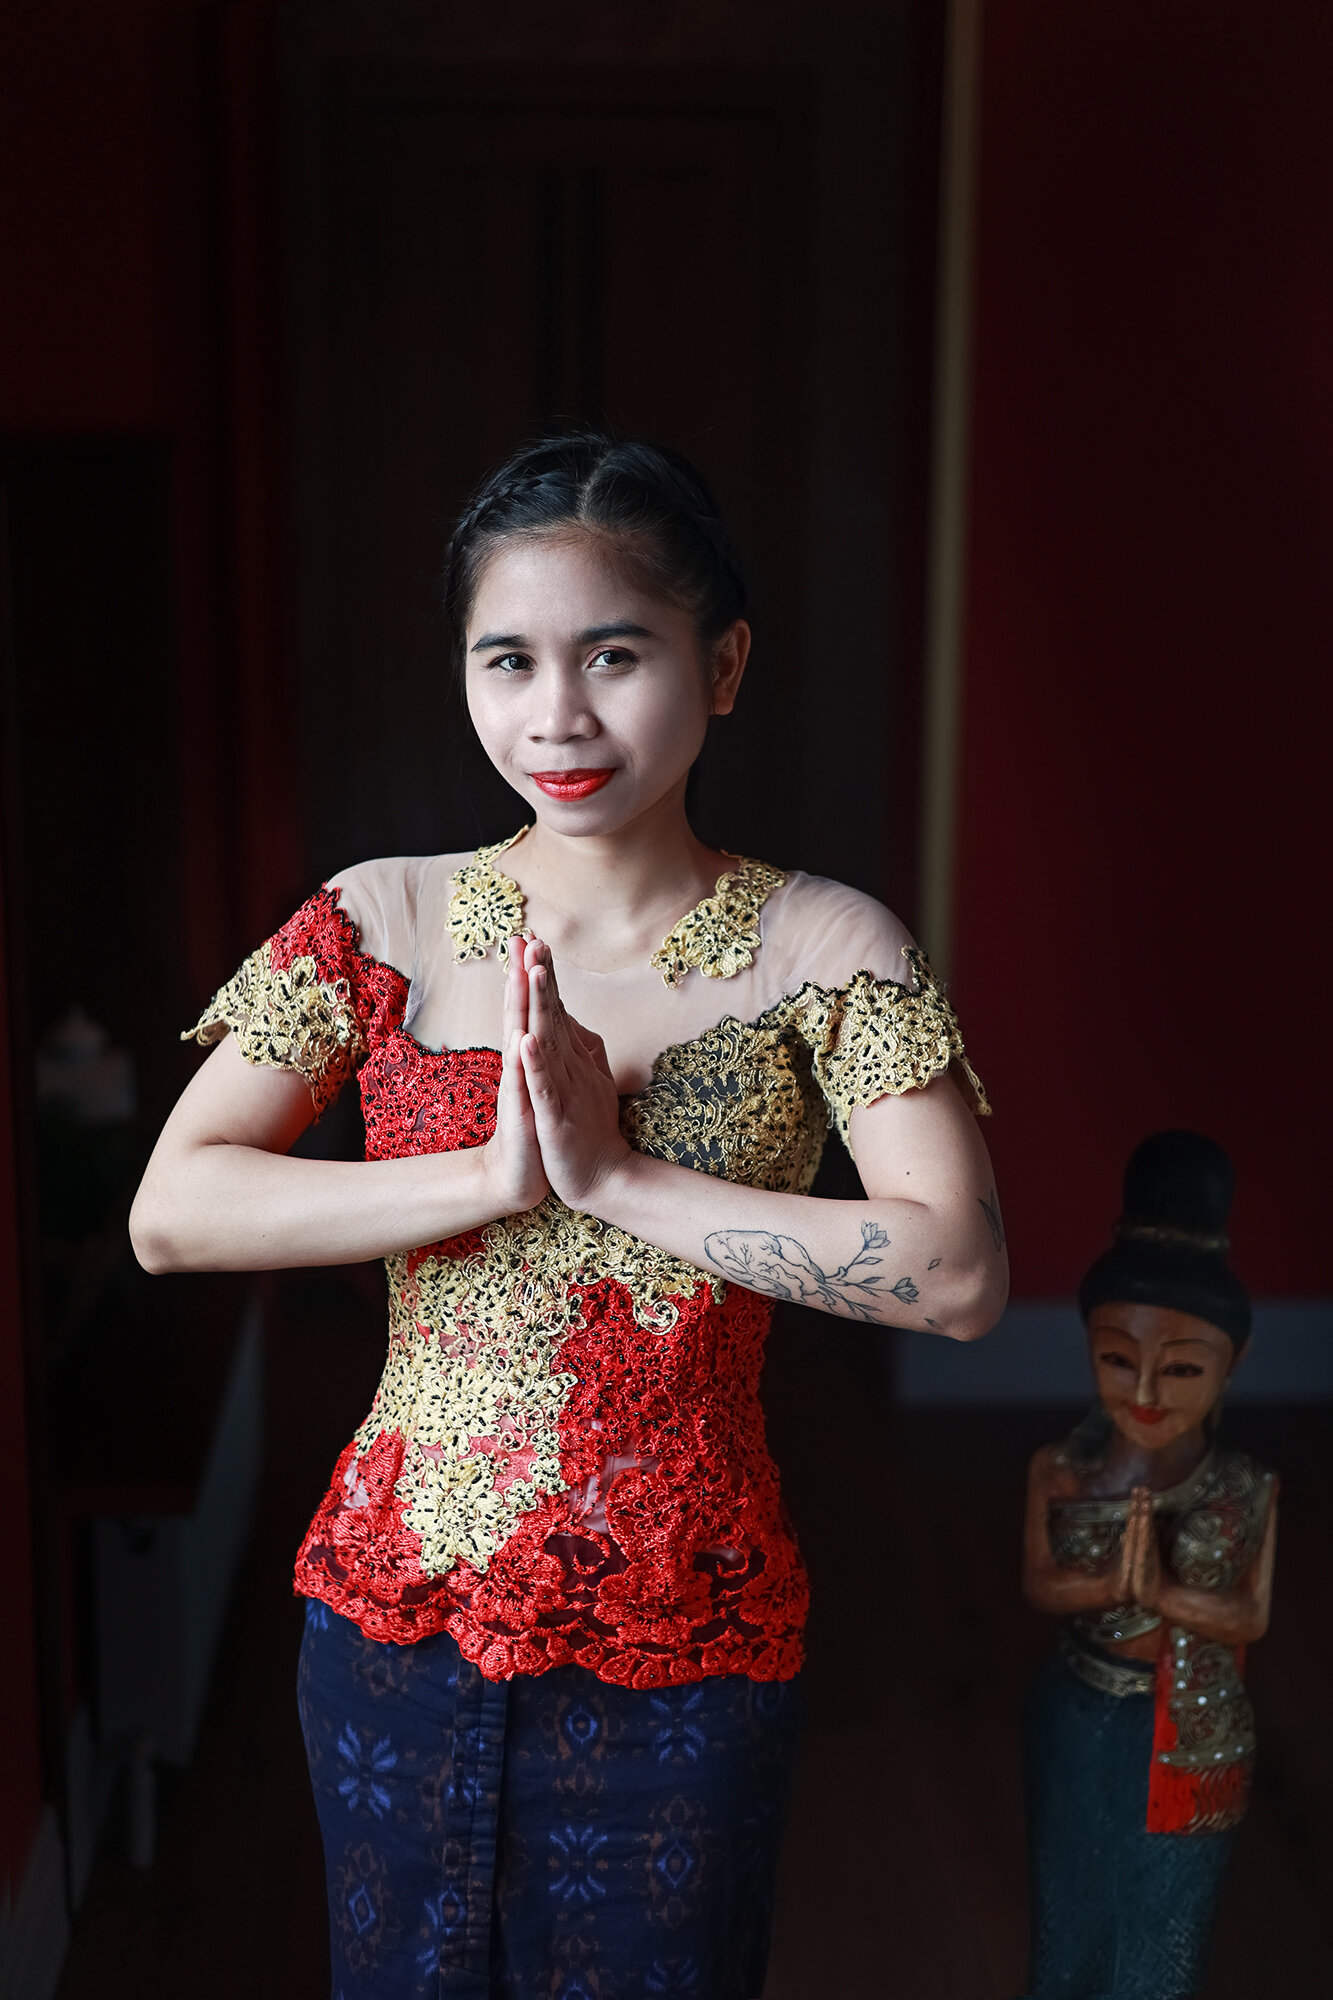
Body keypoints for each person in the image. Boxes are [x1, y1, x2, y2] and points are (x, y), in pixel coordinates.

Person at [130, 429, 1007, 1999]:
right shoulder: (383, 918)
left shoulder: (824, 946)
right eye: (508, 661)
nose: (557, 716)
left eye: (615, 655)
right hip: (394, 1614)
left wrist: (615, 1177)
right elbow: (173, 1213)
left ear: (722, 665)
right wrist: (489, 1179)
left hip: (685, 1635)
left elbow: (957, 1277)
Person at [1021, 1130, 1278, 2000]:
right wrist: (1107, 1588)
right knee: (1067, 1899)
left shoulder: (1244, 1487)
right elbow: (1038, 1583)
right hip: (1075, 1700)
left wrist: (1160, 1591)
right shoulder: (1063, 1470)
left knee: (1162, 1923)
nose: (1142, 1394)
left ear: (1234, 1360)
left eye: (1180, 1368)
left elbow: (1248, 1616)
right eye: (1116, 1359)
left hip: (1189, 1725)